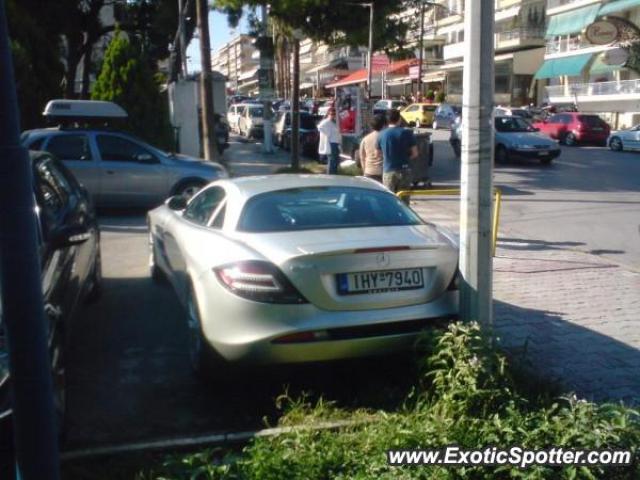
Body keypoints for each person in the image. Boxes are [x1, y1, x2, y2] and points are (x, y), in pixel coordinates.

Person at [376, 109, 418, 199]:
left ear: (387, 120)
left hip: (388, 170)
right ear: (399, 119)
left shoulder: (381, 134)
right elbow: (415, 153)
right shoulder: (407, 133)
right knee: (404, 200)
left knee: (389, 200)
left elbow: (378, 155)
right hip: (405, 170)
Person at [358, 114, 385, 183]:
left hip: (369, 171)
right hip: (382, 171)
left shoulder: (365, 139)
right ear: (384, 125)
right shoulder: (385, 137)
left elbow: (362, 156)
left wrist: (364, 170)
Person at [317, 108, 341, 174]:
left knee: (336, 161)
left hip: (336, 143)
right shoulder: (326, 122)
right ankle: (331, 175)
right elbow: (319, 127)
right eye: (331, 114)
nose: (333, 115)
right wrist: (327, 134)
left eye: (334, 114)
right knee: (332, 161)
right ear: (328, 114)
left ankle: (334, 174)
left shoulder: (335, 122)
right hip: (331, 143)